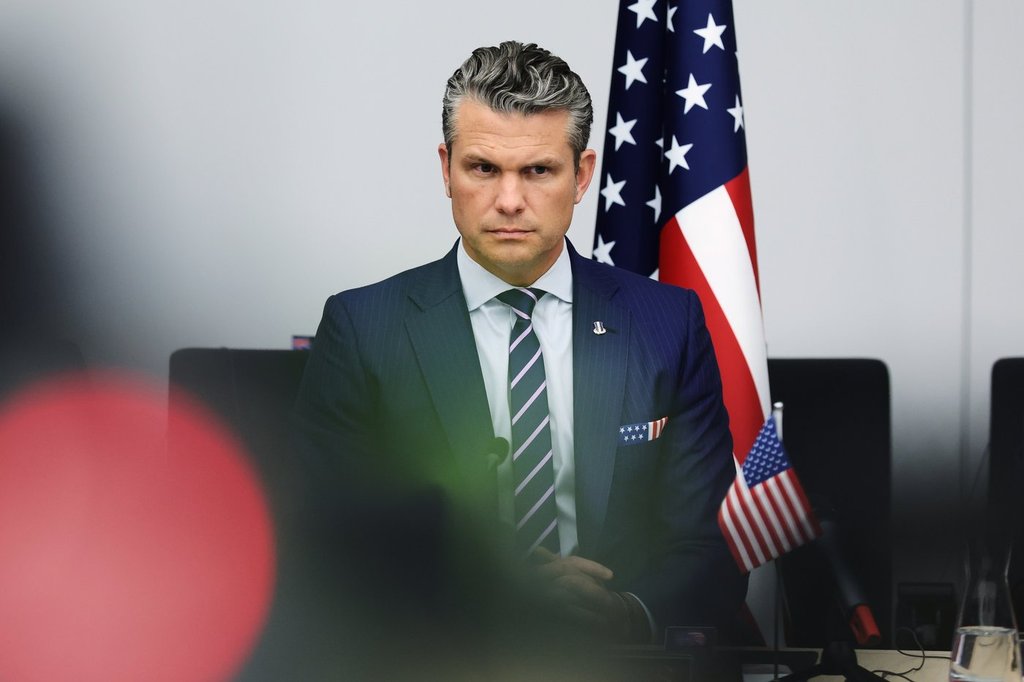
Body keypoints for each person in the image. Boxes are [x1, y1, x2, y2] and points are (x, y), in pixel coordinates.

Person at [291, 40, 746, 666]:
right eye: (483, 169)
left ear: (582, 175)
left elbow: (710, 544)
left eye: (538, 170)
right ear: (445, 169)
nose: (509, 201)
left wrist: (624, 612)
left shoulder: (669, 324)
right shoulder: (363, 328)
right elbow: (326, 545)